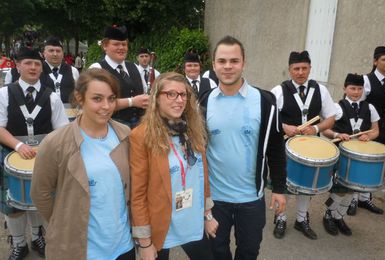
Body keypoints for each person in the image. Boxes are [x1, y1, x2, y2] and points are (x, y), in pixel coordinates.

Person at [31, 68, 134, 260]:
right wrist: (64, 221)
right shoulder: (56, 143)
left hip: (122, 245)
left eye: (111, 99)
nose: (106, 106)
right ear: (79, 98)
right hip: (82, 250)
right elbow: (40, 193)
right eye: (97, 99)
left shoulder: (124, 134)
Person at [200, 36, 286, 260]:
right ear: (214, 64)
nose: (228, 66)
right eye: (222, 61)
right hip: (215, 199)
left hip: (251, 198)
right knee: (216, 252)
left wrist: (279, 188)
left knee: (248, 252)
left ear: (243, 63)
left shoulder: (265, 101)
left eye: (234, 61)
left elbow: (275, 148)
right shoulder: (203, 102)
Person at [130, 72, 218, 260]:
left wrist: (207, 215)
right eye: (171, 94)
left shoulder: (192, 128)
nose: (179, 100)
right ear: (156, 98)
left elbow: (202, 174)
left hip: (191, 217)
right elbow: (137, 194)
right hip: (162, 222)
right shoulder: (141, 136)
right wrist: (144, 242)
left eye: (183, 94)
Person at [0, 47, 68, 259]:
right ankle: (19, 243)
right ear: (17, 66)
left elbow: (63, 130)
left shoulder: (53, 97)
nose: (33, 67)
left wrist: (46, 147)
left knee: (41, 199)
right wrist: (19, 146)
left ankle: (38, 235)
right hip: (12, 154)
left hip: (44, 156)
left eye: (37, 64)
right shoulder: (4, 94)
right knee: (13, 203)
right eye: (27, 63)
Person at [270, 51, 336, 240]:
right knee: (282, 184)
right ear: (290, 70)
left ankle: (301, 220)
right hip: (285, 146)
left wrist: (316, 128)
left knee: (307, 184)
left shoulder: (320, 90)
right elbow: (270, 117)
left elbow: (331, 118)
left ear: (310, 68)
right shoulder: (279, 91)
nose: (300, 72)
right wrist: (284, 126)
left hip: (311, 147)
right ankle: (280, 217)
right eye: (296, 69)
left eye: (304, 68)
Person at [322, 73, 379, 236]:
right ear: (345, 88)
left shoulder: (370, 108)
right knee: (339, 190)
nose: (356, 92)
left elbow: (376, 130)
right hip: (342, 156)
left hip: (360, 158)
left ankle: (339, 217)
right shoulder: (336, 107)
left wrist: (368, 136)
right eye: (352, 88)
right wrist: (336, 135)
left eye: (359, 88)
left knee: (353, 190)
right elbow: (325, 129)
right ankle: (328, 214)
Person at [347, 46, 385, 215]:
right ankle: (353, 199)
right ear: (375, 61)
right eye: (384, 59)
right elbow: (357, 105)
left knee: (377, 163)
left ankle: (365, 198)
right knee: (363, 161)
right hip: (369, 128)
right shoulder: (366, 80)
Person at [89, 25, 148, 128]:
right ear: (105, 46)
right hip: (111, 129)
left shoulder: (134, 67)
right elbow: (97, 104)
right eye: (116, 44)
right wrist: (132, 102)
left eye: (124, 44)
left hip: (139, 129)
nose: (121, 48)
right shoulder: (97, 69)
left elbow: (143, 94)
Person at [40, 36, 79, 104]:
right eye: (51, 51)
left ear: (62, 54)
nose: (55, 54)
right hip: (45, 112)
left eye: (58, 51)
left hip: (69, 112)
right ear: (44, 53)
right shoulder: (38, 70)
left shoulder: (73, 70)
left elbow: (78, 92)